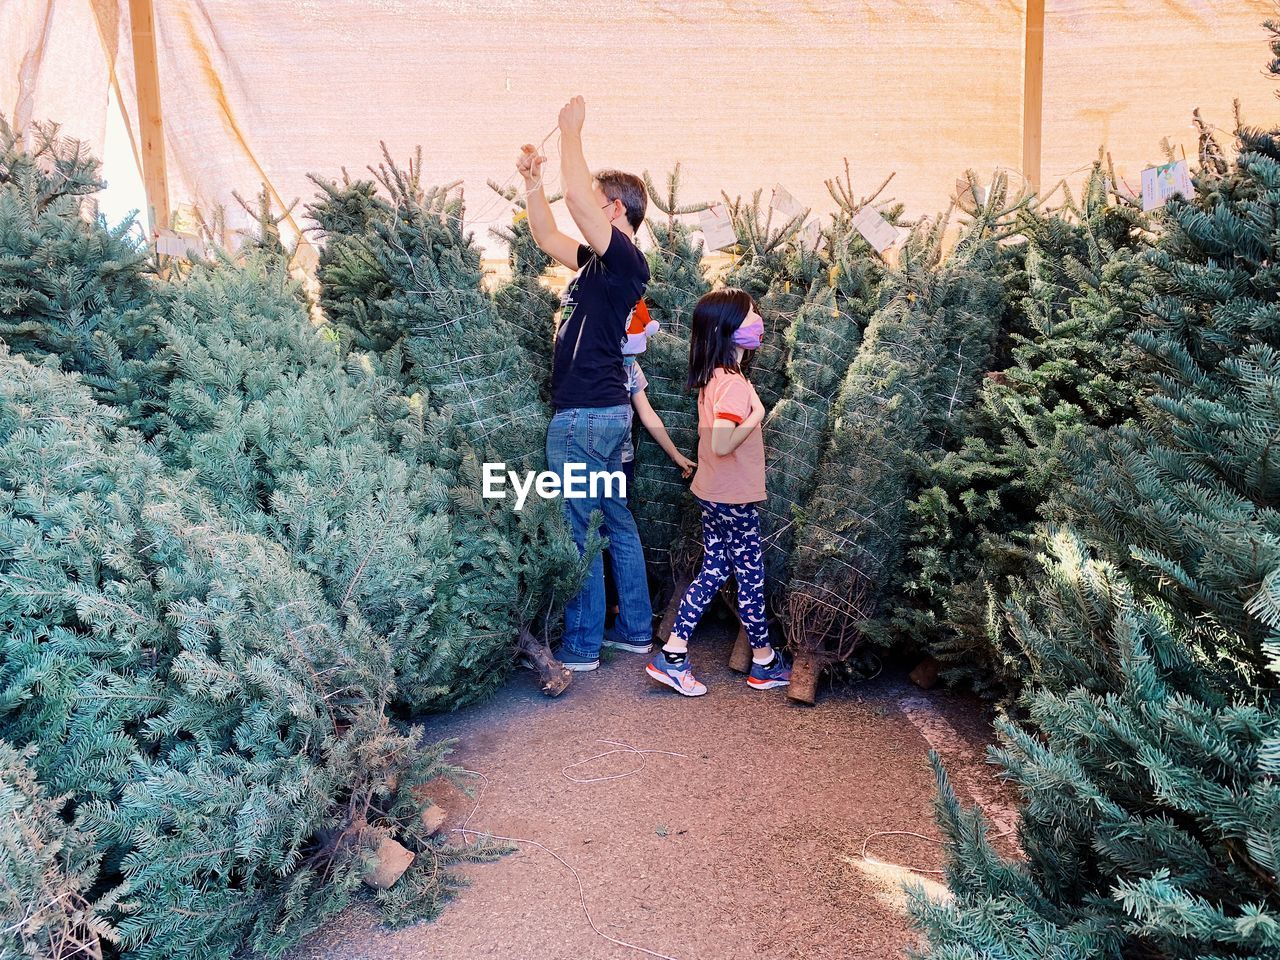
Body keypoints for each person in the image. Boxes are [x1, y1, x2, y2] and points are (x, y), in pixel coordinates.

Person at [517, 95, 653, 672]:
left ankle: (580, 646)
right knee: (614, 518)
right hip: (602, 415)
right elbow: (549, 234)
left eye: (598, 205)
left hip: (585, 416)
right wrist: (532, 181)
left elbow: (574, 201)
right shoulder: (597, 267)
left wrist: (571, 133)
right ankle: (636, 631)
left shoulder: (625, 263)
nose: (587, 209)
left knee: (580, 526)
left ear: (615, 210)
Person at [645, 289, 791, 697]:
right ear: (727, 330)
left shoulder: (718, 378)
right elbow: (722, 444)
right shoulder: (736, 388)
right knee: (748, 576)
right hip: (734, 498)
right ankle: (760, 662)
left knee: (716, 569)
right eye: (749, 316)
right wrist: (759, 415)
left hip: (714, 493)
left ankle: (684, 653)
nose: (757, 321)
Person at [604, 301, 697, 632]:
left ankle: (618, 613)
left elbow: (647, 414)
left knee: (613, 534)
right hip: (596, 459)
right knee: (602, 534)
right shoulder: (597, 361)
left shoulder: (630, 368)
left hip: (620, 463)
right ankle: (609, 613)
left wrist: (675, 454)